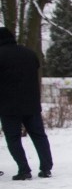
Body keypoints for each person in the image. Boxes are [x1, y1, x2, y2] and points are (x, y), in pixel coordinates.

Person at [0, 27, 54, 180]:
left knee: (13, 138)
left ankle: (24, 169)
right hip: (31, 104)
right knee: (39, 136)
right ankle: (46, 167)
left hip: (8, 106)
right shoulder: (29, 53)